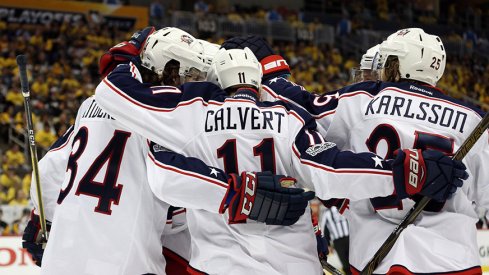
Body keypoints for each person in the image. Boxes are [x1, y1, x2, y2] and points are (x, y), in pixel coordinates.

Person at [95, 31, 466, 274]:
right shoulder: (290, 118)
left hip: (219, 265)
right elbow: (329, 168)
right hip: (296, 266)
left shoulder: (193, 110)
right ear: (260, 80)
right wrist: (398, 172)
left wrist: (233, 192)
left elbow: (166, 173)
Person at [21, 27, 314, 275]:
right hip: (128, 265)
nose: (193, 83)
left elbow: (46, 177)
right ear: (171, 71)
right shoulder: (166, 116)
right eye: (190, 74)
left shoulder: (90, 106)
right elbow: (175, 199)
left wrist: (40, 218)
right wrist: (241, 195)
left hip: (60, 261)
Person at [245, 28, 483, 274]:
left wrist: (268, 67)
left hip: (381, 261)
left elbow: (300, 108)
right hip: (457, 264)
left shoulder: (365, 98)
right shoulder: (473, 120)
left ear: (399, 65)